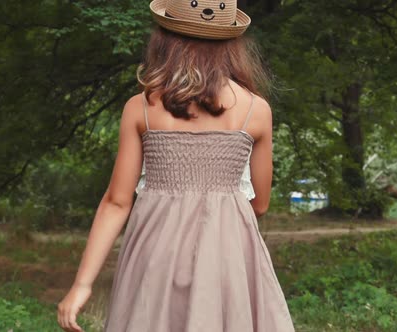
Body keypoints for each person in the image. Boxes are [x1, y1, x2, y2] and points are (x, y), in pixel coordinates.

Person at [57, 0, 295, 331]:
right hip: (227, 252)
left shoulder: (141, 107)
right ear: (231, 44)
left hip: (155, 251)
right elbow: (262, 204)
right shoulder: (256, 110)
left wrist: (82, 284)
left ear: (165, 38)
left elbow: (117, 202)